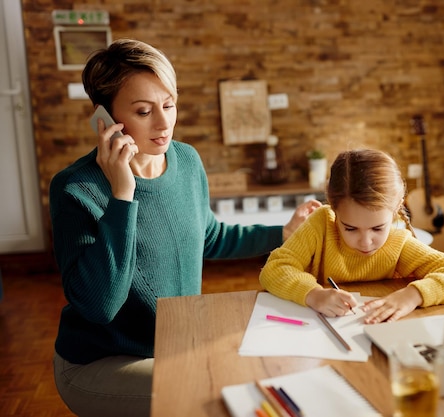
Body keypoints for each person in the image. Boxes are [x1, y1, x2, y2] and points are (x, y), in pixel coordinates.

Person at [49, 38, 320, 417]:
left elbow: (208, 236)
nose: (164, 124)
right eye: (144, 111)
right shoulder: (76, 189)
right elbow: (100, 306)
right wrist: (122, 196)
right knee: (221, 399)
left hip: (174, 346)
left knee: (271, 378)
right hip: (102, 363)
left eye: (169, 104)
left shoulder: (186, 161)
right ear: (104, 117)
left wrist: (283, 233)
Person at [259, 149, 444, 324]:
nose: (366, 242)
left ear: (397, 207)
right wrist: (314, 294)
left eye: (377, 228)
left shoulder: (398, 241)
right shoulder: (320, 224)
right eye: (350, 229)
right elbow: (274, 269)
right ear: (334, 208)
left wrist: (413, 295)